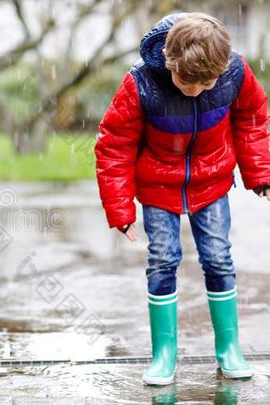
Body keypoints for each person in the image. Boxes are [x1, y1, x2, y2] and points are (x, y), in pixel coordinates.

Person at [95, 12, 270, 385]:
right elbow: (114, 145)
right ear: (169, 61)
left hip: (212, 182)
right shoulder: (140, 83)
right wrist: (121, 208)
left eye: (207, 83)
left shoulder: (234, 72)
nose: (197, 90)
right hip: (159, 186)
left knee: (219, 259)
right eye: (187, 81)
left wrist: (260, 174)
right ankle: (164, 353)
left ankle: (229, 349)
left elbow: (252, 119)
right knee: (162, 260)